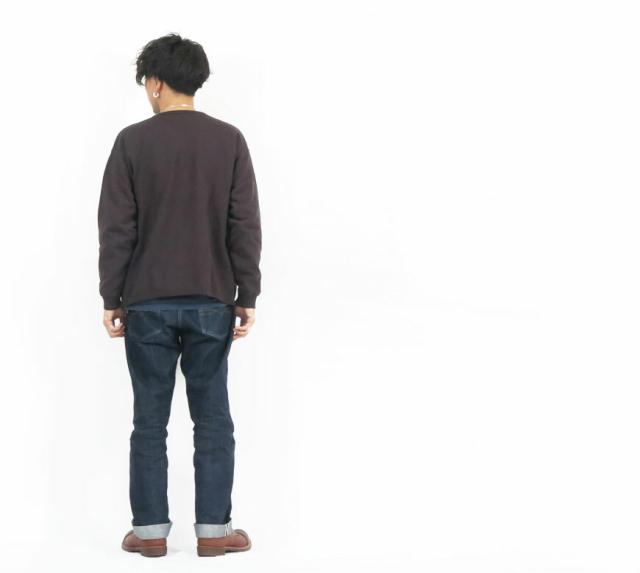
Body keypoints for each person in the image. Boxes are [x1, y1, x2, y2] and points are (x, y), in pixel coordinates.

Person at [97, 33, 261, 558]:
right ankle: (214, 532)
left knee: (149, 421)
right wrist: (247, 293)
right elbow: (244, 225)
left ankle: (149, 533)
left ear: (155, 82)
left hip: (146, 303)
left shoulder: (131, 142)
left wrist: (111, 296)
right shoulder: (228, 140)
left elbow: (117, 229)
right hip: (212, 300)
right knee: (212, 419)